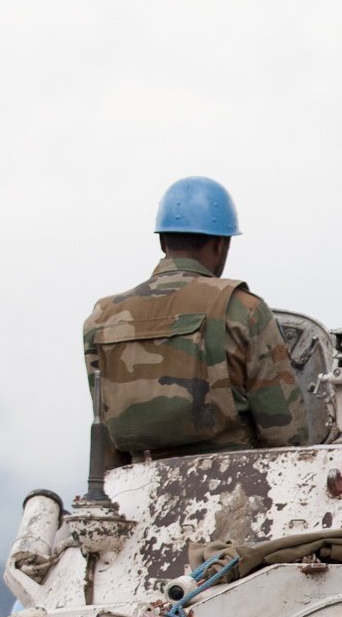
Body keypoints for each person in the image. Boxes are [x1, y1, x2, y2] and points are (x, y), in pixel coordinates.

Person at [82, 175, 307, 464]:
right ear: (220, 244)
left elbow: (105, 436)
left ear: (163, 241)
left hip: (139, 491)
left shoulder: (101, 318)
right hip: (235, 488)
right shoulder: (242, 309)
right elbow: (286, 435)